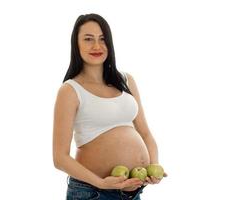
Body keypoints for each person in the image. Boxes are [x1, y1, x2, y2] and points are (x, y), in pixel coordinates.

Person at [53, 13, 167, 200]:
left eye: (102, 39)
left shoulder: (126, 81)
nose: (97, 46)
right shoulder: (70, 90)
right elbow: (60, 158)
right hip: (93, 192)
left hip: (133, 189)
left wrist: (153, 166)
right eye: (88, 39)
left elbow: (145, 133)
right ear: (76, 44)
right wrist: (101, 183)